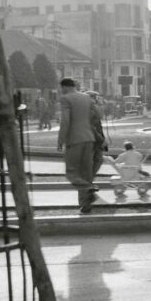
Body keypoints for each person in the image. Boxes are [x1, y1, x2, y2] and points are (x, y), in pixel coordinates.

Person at [57, 77, 100, 213]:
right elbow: (96, 116)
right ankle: (85, 205)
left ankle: (88, 188)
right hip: (89, 138)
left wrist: (61, 139)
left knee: (71, 172)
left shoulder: (66, 99)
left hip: (75, 140)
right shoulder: (87, 98)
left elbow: (65, 121)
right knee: (85, 173)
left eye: (61, 88)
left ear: (64, 87)